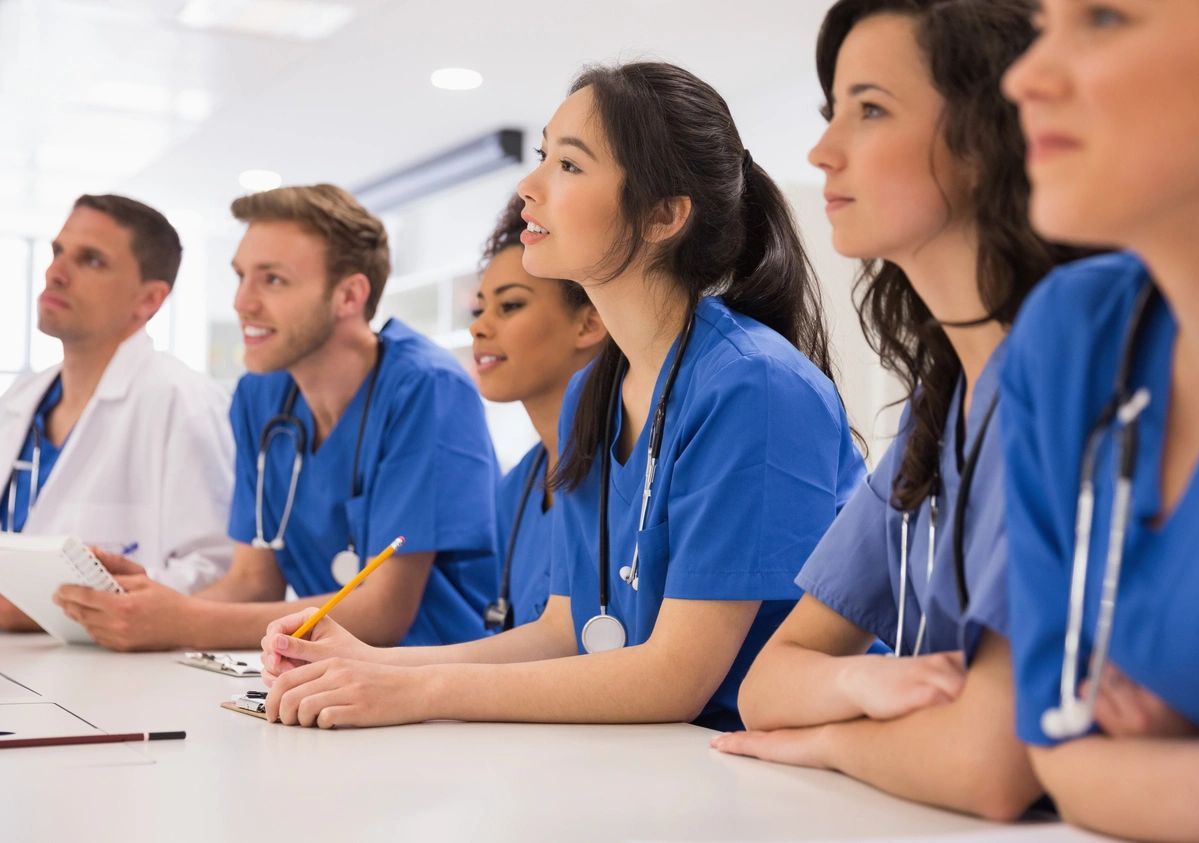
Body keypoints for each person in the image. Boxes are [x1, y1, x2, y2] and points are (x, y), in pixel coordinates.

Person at [257, 62, 866, 731]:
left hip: (771, 775)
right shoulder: (591, 394)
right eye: (543, 156)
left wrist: (420, 690)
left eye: (569, 166)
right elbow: (561, 629)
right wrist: (377, 663)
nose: (528, 184)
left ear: (663, 215)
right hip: (647, 758)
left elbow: (675, 678)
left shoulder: (753, 385)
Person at [712, 0, 1072, 820]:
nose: (820, 151)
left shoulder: (1062, 384)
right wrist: (863, 679)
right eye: (830, 111)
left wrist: (831, 738)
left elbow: (987, 764)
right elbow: (770, 681)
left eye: (869, 110)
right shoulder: (934, 412)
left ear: (988, 141)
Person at [996, 1, 1199, 839]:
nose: (1023, 77)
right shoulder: (1073, 338)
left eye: (1103, 18)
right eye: (1040, 22)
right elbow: (1063, 756)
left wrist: (1170, 763)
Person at [54, 185, 498, 651]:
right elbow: (251, 582)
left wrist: (183, 622)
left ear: (348, 295)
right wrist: (144, 609)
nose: (242, 302)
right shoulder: (261, 395)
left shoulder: (426, 388)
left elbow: (383, 612)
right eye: (241, 276)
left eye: (273, 280)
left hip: (438, 685)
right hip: (327, 678)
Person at [0, 194, 232, 631]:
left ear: (148, 300)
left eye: (91, 260)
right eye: (57, 252)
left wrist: (41, 603)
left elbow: (217, 573)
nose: (56, 273)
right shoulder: (21, 398)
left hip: (113, 680)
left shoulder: (182, 400)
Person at [472, 195, 606, 632]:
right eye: (479, 308)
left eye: (509, 305)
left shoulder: (624, 470)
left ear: (589, 323)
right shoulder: (515, 490)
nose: (479, 326)